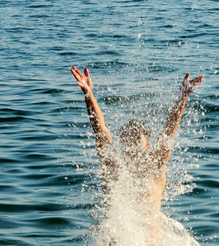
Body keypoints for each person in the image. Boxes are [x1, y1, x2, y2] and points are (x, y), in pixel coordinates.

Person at [69, 66, 203, 221]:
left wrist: (183, 97)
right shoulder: (113, 168)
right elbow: (100, 130)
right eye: (126, 139)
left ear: (148, 146)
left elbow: (169, 131)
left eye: (137, 139)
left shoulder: (155, 168)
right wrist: (88, 94)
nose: (131, 144)